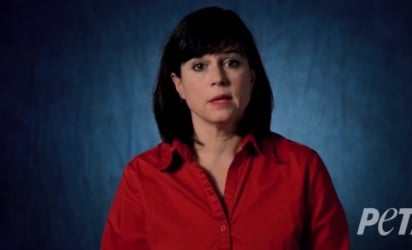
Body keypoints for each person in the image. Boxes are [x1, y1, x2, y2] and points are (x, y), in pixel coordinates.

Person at [101, 6, 349, 250]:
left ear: (251, 77)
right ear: (179, 85)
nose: (218, 77)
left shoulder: (303, 167)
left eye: (231, 62)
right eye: (199, 66)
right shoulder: (141, 177)